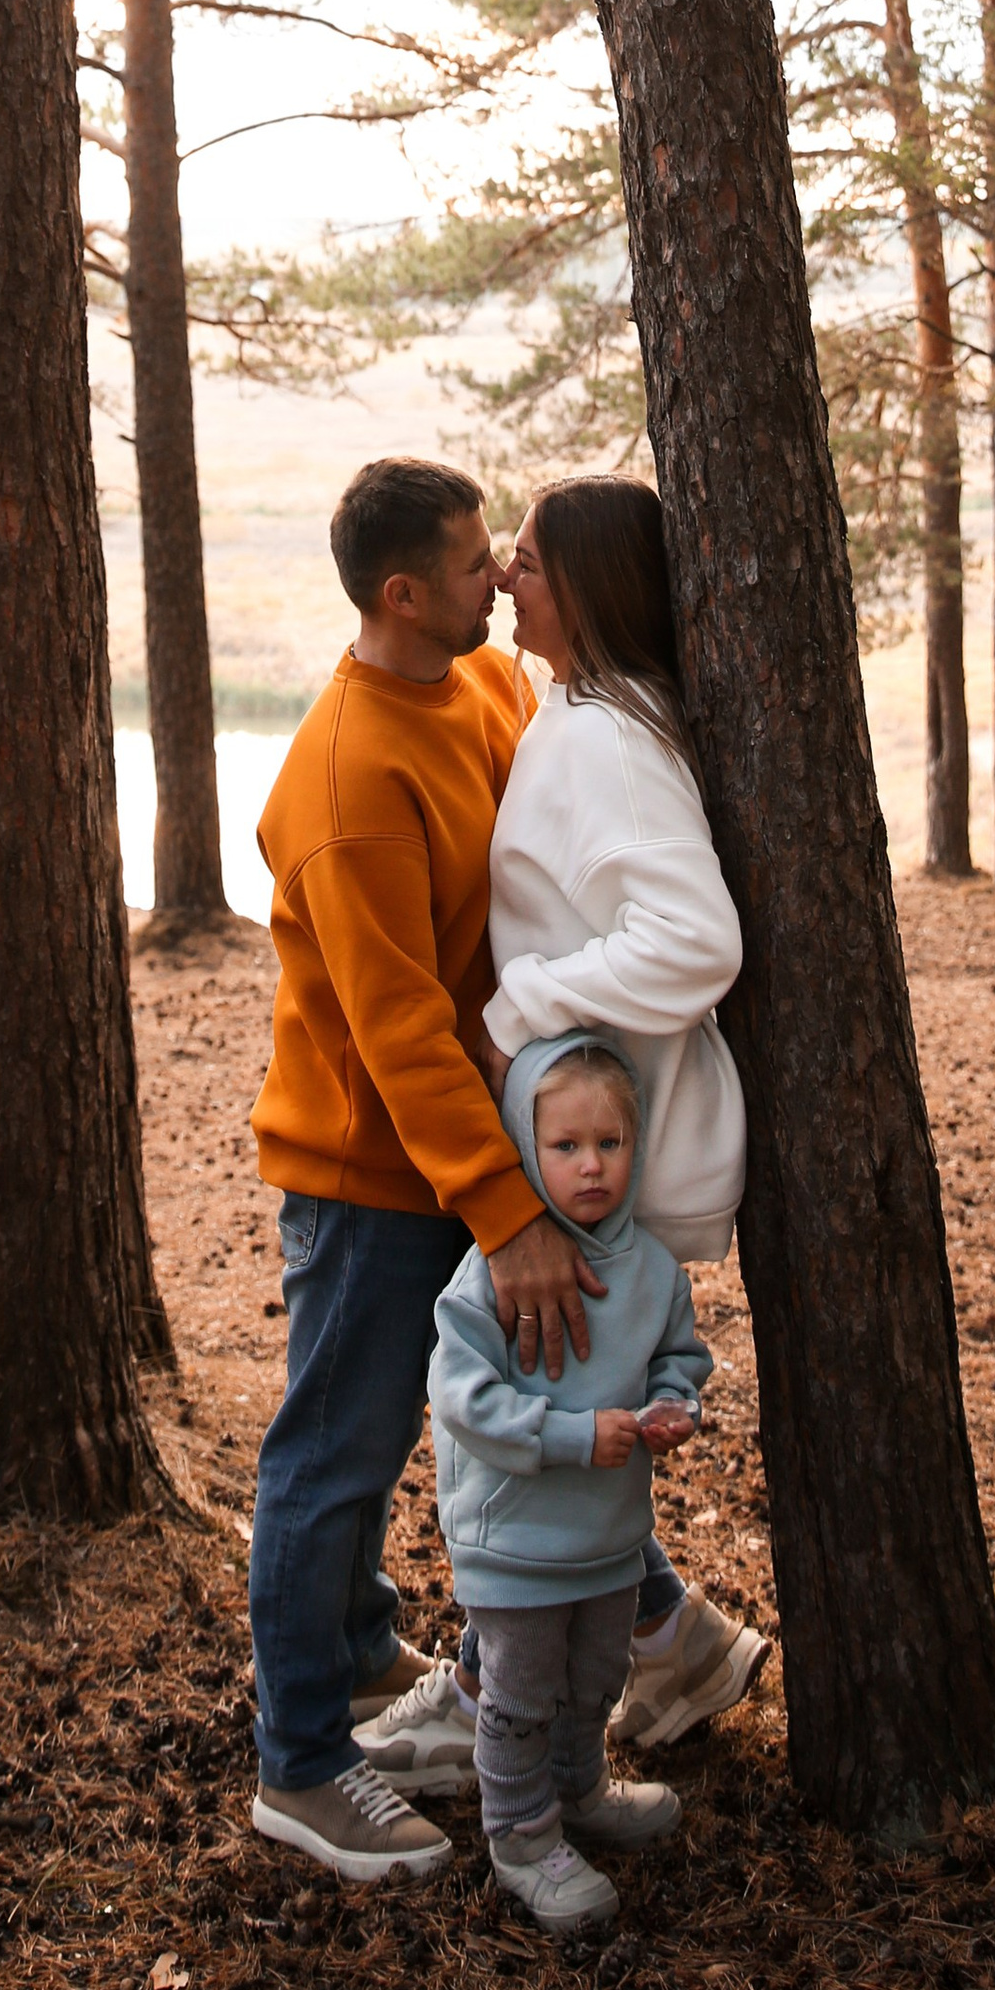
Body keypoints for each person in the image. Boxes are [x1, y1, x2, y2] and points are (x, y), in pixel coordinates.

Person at [359, 473, 767, 1797]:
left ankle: (501, 1695)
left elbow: (696, 941)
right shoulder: (577, 712)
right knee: (548, 1413)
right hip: (580, 1138)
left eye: (526, 561)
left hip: (594, 1159)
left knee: (512, 1425)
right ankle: (657, 1637)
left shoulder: (600, 739)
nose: (505, 580)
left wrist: (519, 1003)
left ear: (582, 589)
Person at [246, 455, 605, 1884]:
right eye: (476, 565)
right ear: (405, 594)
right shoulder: (350, 776)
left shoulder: (479, 688)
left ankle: (347, 1638)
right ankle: (303, 1766)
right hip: (365, 1176)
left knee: (387, 1440)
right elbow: (396, 1029)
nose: (499, 581)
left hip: (449, 1154)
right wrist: (508, 1210)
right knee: (332, 1454)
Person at [429, 1034, 710, 1935]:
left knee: (598, 1671)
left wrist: (673, 1406)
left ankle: (580, 1789)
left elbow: (680, 1359)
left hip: (610, 1533)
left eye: (611, 1144)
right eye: (565, 1147)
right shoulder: (492, 1272)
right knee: (521, 1686)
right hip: (516, 1536)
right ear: (525, 1146)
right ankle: (518, 1834)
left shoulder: (657, 1273)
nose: (591, 1166)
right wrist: (569, 1435)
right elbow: (460, 1397)